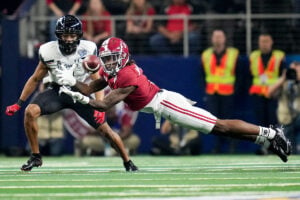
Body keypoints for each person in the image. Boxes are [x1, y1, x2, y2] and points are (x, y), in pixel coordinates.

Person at [58, 37, 292, 163]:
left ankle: (271, 134)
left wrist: (73, 96)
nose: (107, 64)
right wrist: (66, 80)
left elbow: (102, 104)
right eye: (106, 59)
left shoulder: (127, 75)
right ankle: (266, 140)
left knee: (219, 125)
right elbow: (89, 87)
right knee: (218, 130)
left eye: (111, 59)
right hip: (163, 103)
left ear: (123, 56)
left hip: (167, 104)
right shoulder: (116, 71)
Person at [5, 15, 137, 172]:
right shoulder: (48, 51)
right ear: (58, 35)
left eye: (72, 35)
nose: (68, 39)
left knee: (105, 130)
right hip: (57, 91)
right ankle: (35, 156)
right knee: (30, 112)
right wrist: (19, 103)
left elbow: (98, 81)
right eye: (65, 35)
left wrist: (100, 106)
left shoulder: (87, 49)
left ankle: (128, 162)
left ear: (78, 36)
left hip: (79, 93)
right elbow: (35, 79)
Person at [201, 29, 240, 153]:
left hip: (228, 92)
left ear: (224, 39)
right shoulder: (206, 54)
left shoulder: (233, 54)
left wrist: (236, 90)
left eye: (220, 36)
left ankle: (232, 145)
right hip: (212, 92)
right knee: (213, 121)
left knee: (229, 120)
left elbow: (239, 74)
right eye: (215, 36)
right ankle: (216, 146)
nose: (218, 39)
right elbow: (202, 74)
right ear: (212, 39)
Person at [248, 33, 286, 154]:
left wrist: (278, 90)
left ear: (271, 42)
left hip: (273, 93)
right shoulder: (253, 56)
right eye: (262, 41)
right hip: (258, 93)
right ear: (258, 43)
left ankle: (275, 146)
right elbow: (249, 75)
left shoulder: (279, 56)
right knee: (260, 122)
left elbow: (282, 75)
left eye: (266, 41)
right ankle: (263, 147)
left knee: (273, 121)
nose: (264, 44)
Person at [268, 61, 300, 154]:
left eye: (297, 71)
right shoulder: (283, 82)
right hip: (285, 120)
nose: (294, 73)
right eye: (292, 70)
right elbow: (269, 93)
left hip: (299, 118)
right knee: (285, 148)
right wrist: (283, 78)